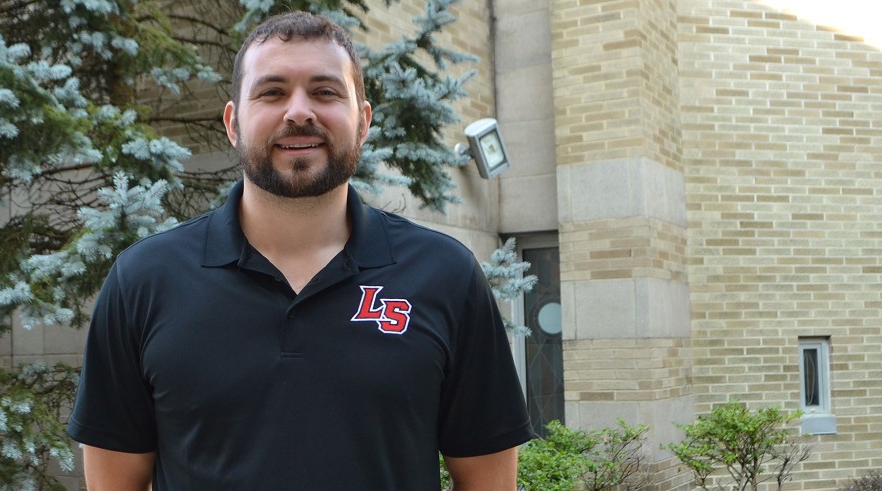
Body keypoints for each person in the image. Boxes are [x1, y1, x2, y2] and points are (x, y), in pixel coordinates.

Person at [67, 11, 533, 490]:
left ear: (364, 122)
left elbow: (487, 480)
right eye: (272, 92)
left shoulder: (445, 275)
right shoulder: (144, 279)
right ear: (233, 123)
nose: (298, 112)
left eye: (325, 91)